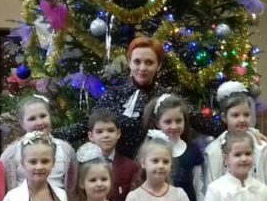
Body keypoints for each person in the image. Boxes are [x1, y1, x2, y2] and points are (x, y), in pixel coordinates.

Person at [55, 37, 218, 159]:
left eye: (149, 62)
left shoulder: (167, 97)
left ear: (159, 65)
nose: (142, 68)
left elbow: (199, 120)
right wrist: (50, 135)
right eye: (137, 62)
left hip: (159, 170)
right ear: (129, 63)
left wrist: (229, 125)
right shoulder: (114, 95)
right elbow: (86, 125)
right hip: (123, 173)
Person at [144, 92, 205, 201]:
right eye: (168, 122)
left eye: (179, 121)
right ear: (157, 123)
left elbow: (198, 189)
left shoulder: (192, 151)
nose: (174, 126)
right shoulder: (151, 151)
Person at [84, 107, 139, 201]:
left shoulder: (131, 167)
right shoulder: (81, 166)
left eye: (110, 130)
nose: (106, 135)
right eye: (99, 132)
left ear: (118, 133)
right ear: (91, 136)